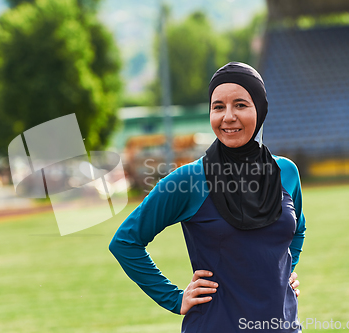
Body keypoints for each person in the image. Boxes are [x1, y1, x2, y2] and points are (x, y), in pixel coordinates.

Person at [109, 62, 306, 332]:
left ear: (260, 109)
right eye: (218, 107)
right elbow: (125, 242)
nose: (228, 117)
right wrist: (174, 298)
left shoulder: (286, 172)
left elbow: (298, 229)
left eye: (240, 105)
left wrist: (285, 271)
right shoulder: (187, 180)